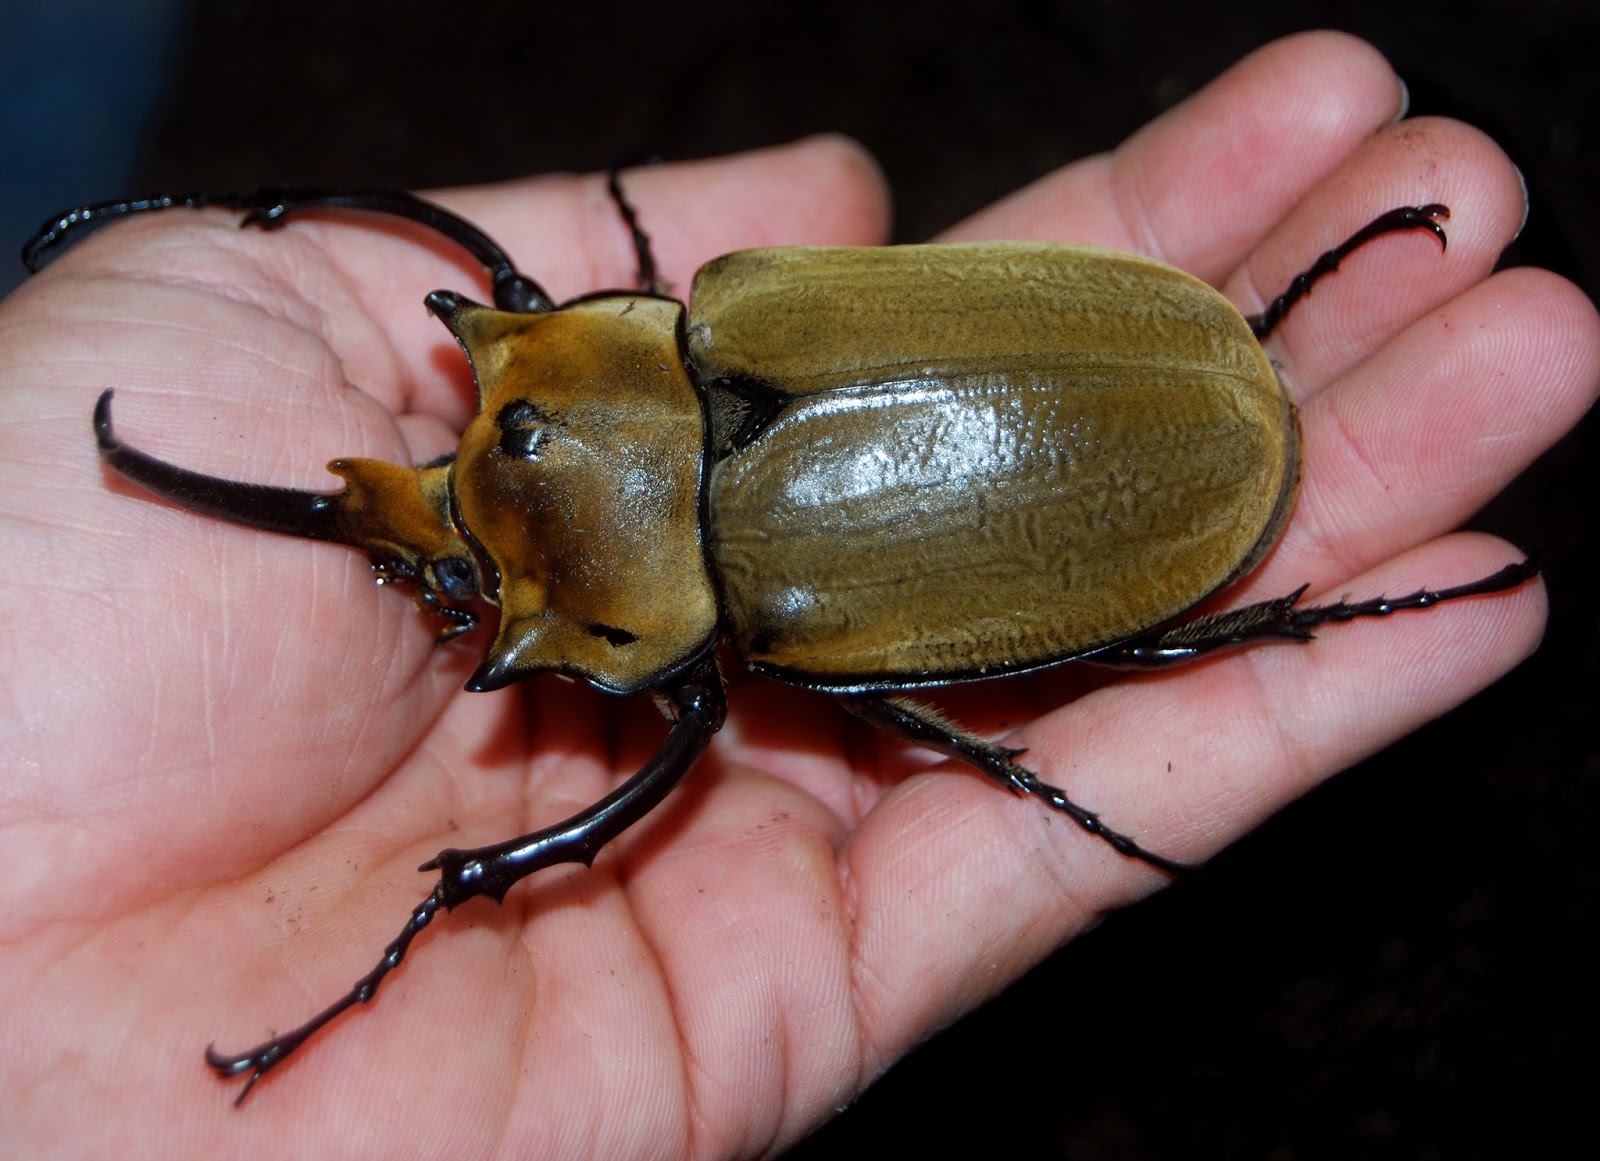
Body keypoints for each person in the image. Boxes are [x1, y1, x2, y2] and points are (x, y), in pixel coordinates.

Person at [0, 31, 1593, 1156]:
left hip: (1153, 417)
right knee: (1075, 668)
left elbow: (621, 807)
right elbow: (473, 250)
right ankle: (1294, 546)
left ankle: (1295, 563)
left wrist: (463, 878)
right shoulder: (732, 308)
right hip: (1155, 372)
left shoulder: (763, 609)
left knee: (1070, 669)